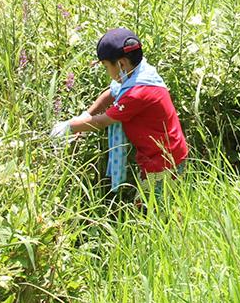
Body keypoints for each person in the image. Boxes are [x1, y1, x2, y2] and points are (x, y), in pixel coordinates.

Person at [50, 28, 188, 194]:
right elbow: (111, 92)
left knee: (152, 209)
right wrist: (87, 114)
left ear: (121, 64)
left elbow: (102, 122)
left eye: (107, 66)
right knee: (158, 203)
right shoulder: (139, 73)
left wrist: (69, 126)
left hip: (164, 160)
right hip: (159, 154)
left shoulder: (137, 93)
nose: (107, 72)